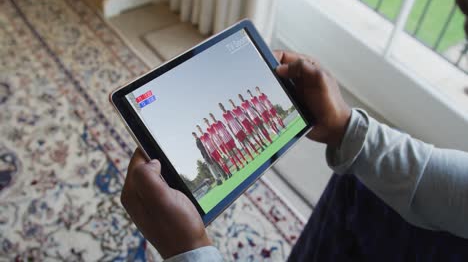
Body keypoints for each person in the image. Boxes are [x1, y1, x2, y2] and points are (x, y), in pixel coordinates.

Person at [120, 48, 468, 261]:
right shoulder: (212, 130)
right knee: (357, 185)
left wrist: (190, 252)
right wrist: (347, 129)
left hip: (241, 134)